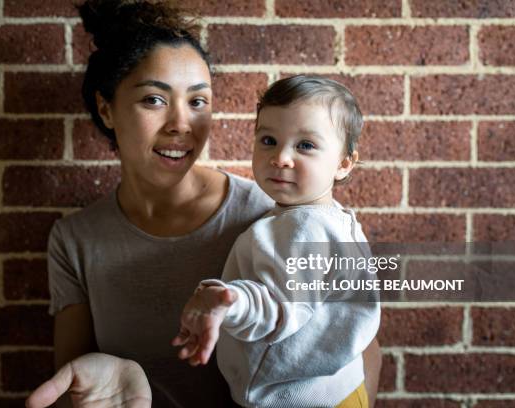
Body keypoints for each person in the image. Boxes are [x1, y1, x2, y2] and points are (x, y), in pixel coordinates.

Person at [25, 1, 382, 407]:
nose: (181, 123)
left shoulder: (272, 213)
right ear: (107, 108)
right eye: (154, 100)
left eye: (198, 101)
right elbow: (68, 386)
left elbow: (358, 350)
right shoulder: (75, 239)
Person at [172, 75, 380, 408]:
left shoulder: (303, 227)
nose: (281, 157)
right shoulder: (331, 219)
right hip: (338, 387)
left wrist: (229, 301)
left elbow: (279, 305)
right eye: (268, 140)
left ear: (343, 164)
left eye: (306, 146)